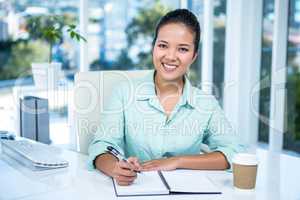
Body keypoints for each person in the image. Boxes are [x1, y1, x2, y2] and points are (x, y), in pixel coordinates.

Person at [88, 9, 244, 186]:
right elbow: (102, 146)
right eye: (163, 45)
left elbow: (234, 152)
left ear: (194, 56)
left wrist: (177, 161)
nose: (170, 57)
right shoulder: (123, 93)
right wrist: (115, 167)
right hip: (136, 191)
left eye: (183, 49)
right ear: (153, 47)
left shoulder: (205, 103)